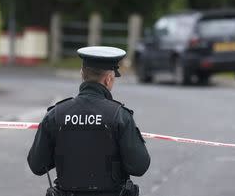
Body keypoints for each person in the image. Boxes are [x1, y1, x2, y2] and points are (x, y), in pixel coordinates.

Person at [27, 46, 150, 196]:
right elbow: (139, 166)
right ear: (108, 79)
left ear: (82, 74)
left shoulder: (55, 115)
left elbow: (37, 165)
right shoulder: (119, 116)